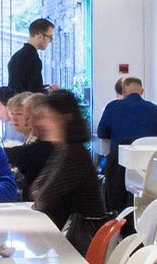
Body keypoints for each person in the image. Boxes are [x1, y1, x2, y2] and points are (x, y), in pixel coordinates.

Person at [27, 88, 105, 230]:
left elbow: (42, 198)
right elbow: (36, 191)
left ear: (64, 118)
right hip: (66, 234)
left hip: (79, 241)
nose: (43, 123)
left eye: (47, 116)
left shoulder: (75, 155)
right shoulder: (63, 150)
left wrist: (38, 196)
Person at [95, 76, 157, 211]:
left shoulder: (113, 107)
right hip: (147, 166)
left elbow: (101, 133)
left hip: (119, 164)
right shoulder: (155, 109)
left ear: (123, 92)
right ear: (142, 91)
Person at [5, 91, 52, 194]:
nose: (14, 118)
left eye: (19, 114)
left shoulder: (38, 142)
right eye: (12, 113)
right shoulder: (28, 139)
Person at [5, 18, 54, 95]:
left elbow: (20, 86)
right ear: (40, 36)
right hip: (26, 105)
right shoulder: (33, 59)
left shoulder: (17, 56)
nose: (51, 41)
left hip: (15, 103)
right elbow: (35, 94)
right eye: (50, 37)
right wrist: (51, 90)